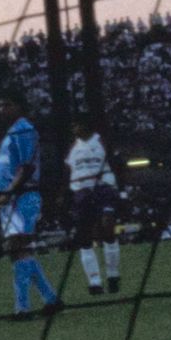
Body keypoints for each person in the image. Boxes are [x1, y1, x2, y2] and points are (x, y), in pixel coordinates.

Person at [0, 88, 60, 321]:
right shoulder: (12, 132)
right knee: (19, 251)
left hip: (22, 197)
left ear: (19, 107)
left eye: (7, 104)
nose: (2, 109)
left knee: (17, 248)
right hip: (12, 200)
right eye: (0, 105)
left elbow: (26, 167)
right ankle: (51, 299)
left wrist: (9, 192)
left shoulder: (24, 129)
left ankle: (23, 308)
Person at [64, 125, 121, 295]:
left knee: (108, 227)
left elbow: (118, 163)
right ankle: (94, 282)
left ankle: (113, 275)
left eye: (78, 125)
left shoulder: (101, 140)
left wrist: (122, 190)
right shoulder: (73, 147)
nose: (75, 129)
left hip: (103, 187)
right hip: (82, 192)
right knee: (84, 236)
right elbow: (68, 170)